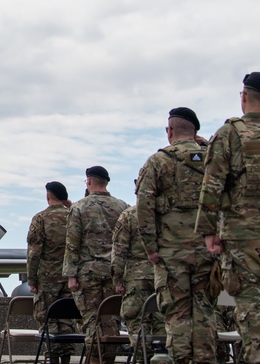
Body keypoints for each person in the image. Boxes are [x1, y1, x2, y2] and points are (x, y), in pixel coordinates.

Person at [137, 106, 216, 364]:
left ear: (169, 131)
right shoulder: (212, 158)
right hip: (208, 251)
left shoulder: (158, 161)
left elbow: (144, 210)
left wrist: (151, 249)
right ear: (196, 131)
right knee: (204, 311)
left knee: (177, 315)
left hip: (171, 255)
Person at [197, 72, 260, 364]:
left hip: (243, 239)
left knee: (251, 309)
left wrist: (209, 232)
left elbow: (212, 186)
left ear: (244, 97)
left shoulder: (229, 133)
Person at [63, 166, 128, 364]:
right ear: (106, 182)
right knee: (111, 324)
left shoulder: (79, 208)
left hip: (87, 275)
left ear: (89, 181)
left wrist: (71, 276)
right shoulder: (123, 207)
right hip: (114, 273)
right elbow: (127, 243)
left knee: (92, 323)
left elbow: (73, 243)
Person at [26, 180, 75, 364]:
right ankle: (67, 359)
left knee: (48, 319)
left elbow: (34, 252)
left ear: (48, 196)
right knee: (68, 320)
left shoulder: (41, 218)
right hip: (70, 277)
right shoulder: (73, 215)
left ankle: (52, 358)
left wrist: (32, 279)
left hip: (47, 278)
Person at [112, 192, 162, 364]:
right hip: (162, 276)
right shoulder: (165, 214)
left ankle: (141, 360)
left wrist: (117, 280)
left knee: (137, 327)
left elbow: (119, 251)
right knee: (162, 329)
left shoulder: (128, 215)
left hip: (136, 279)